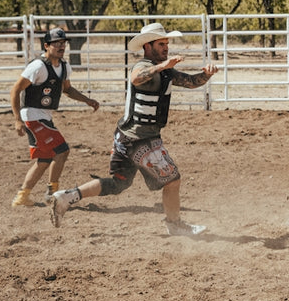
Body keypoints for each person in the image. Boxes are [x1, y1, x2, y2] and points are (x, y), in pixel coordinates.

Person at [48, 22, 218, 236]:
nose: (166, 48)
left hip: (126, 136)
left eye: (166, 43)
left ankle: (67, 197)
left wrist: (207, 74)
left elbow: (191, 82)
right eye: (161, 44)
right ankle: (175, 225)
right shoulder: (143, 65)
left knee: (119, 183)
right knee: (172, 179)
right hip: (140, 137)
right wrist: (162, 67)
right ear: (148, 46)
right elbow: (136, 78)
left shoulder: (166, 71)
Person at [9, 27, 100, 207]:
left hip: (44, 116)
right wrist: (17, 119)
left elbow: (67, 89)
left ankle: (22, 197)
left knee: (44, 160)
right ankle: (52, 193)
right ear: (46, 46)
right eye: (56, 43)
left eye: (63, 43)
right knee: (62, 150)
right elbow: (16, 89)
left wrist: (87, 100)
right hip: (33, 116)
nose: (61, 46)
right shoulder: (38, 66)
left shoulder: (64, 67)